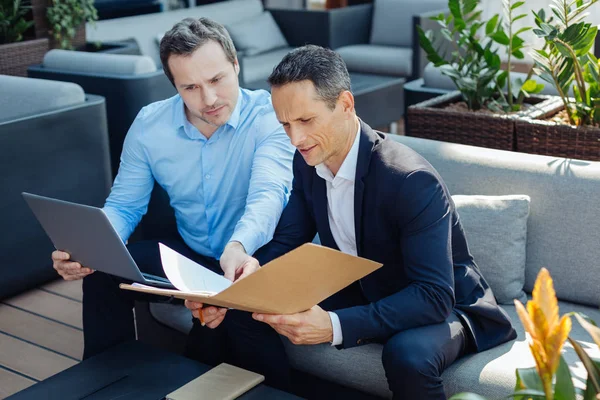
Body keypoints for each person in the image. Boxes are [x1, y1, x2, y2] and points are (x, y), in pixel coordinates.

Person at [188, 44, 517, 398]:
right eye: (285, 124)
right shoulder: (308, 161)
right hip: (364, 287)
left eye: (305, 120)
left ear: (345, 105)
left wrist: (333, 326)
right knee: (246, 313)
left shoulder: (410, 180)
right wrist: (233, 294)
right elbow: (287, 240)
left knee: (407, 356)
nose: (295, 138)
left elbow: (434, 295)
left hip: (447, 306)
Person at [49, 17, 294, 360]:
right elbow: (124, 205)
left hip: (253, 257)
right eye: (190, 87)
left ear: (235, 64)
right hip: (190, 258)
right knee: (102, 271)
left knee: (225, 334)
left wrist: (239, 245)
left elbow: (268, 194)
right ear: (174, 85)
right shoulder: (150, 126)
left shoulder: (270, 118)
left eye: (216, 79)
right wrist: (87, 248)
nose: (208, 98)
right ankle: (107, 382)